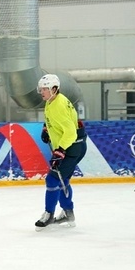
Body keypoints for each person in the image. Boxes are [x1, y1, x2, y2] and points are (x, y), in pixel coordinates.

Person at [35, 74, 88, 231]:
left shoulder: (58, 104)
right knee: (61, 179)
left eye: (44, 89)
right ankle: (67, 212)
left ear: (54, 89)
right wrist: (47, 128)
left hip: (72, 147)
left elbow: (70, 132)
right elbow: (54, 119)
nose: (41, 92)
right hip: (73, 146)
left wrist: (60, 151)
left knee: (52, 180)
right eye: (41, 89)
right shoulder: (52, 101)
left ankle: (49, 214)